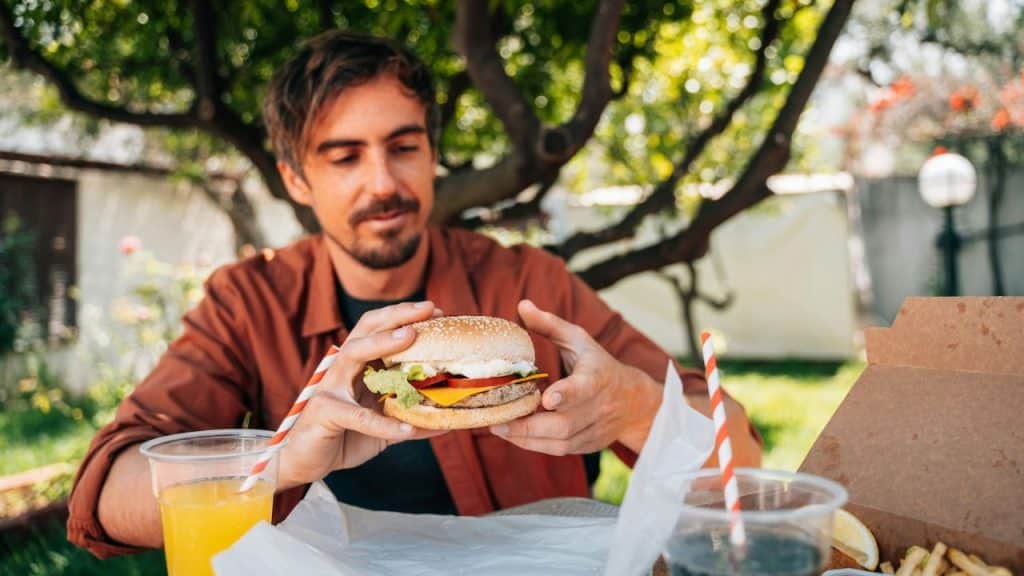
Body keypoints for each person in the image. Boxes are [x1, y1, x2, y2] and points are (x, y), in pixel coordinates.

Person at [67, 30, 761, 558]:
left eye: (403, 147)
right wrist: (276, 463)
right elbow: (103, 497)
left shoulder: (527, 284)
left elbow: (745, 464)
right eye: (344, 157)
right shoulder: (248, 301)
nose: (383, 184)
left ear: (432, 153)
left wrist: (637, 408)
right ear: (296, 181)